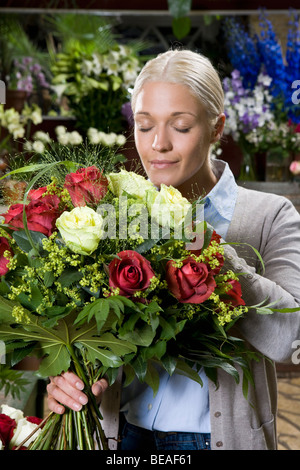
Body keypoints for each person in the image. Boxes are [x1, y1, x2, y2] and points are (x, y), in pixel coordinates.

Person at [46, 49, 300, 450]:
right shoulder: (110, 213)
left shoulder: (270, 216)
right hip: (120, 436)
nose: (158, 144)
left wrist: (217, 257)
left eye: (180, 126)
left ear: (217, 128)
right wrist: (67, 379)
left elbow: (291, 339)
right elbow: (86, 333)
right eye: (144, 126)